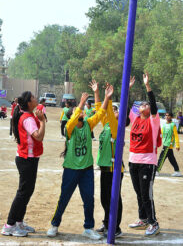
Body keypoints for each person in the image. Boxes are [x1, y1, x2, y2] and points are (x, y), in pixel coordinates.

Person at [47, 85, 113, 240]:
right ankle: (55, 224)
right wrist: (81, 104)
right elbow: (71, 121)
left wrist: (106, 97)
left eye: (81, 111)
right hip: (71, 169)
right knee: (64, 198)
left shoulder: (88, 124)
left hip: (87, 169)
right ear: (73, 116)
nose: (82, 111)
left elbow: (101, 113)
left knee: (89, 199)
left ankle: (88, 227)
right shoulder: (70, 129)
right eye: (78, 111)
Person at [1, 91, 46, 237]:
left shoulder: (29, 115)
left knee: (28, 190)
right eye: (33, 97)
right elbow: (38, 136)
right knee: (23, 192)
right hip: (26, 159)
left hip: (29, 158)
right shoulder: (27, 119)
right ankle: (9, 224)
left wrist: (40, 119)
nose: (35, 98)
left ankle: (19, 221)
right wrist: (43, 121)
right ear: (28, 102)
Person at [89, 80, 130, 238]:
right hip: (105, 167)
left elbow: (109, 113)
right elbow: (101, 110)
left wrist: (109, 96)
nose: (115, 112)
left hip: (114, 169)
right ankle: (107, 222)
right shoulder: (107, 125)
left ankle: (115, 227)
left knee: (113, 198)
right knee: (104, 198)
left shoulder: (116, 127)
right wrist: (97, 93)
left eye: (118, 112)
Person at [128, 73, 161, 237]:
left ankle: (153, 222)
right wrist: (128, 89)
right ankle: (143, 219)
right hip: (133, 160)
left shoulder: (153, 121)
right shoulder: (134, 119)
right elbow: (127, 108)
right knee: (139, 193)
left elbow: (153, 105)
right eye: (142, 104)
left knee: (146, 194)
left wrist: (147, 86)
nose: (144, 105)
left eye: (146, 104)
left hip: (147, 162)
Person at [156, 112, 181, 177]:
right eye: (166, 115)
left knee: (162, 157)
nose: (167, 117)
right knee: (171, 158)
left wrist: (177, 145)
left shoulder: (173, 125)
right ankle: (177, 171)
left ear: (171, 117)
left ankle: (157, 170)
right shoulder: (164, 125)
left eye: (168, 115)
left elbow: (176, 136)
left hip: (168, 144)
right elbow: (161, 134)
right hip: (165, 144)